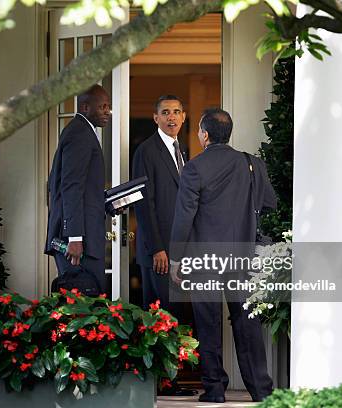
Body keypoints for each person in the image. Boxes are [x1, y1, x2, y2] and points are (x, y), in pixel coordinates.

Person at [169, 108, 276, 403]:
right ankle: (260, 389)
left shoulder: (193, 168)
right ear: (229, 133)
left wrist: (176, 258)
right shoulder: (253, 164)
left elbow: (184, 216)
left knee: (208, 323)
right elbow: (269, 204)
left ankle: (215, 390)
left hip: (205, 259)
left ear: (204, 135)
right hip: (242, 256)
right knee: (247, 322)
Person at [132, 95, 194, 397]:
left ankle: (164, 382)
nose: (172, 117)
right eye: (165, 112)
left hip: (176, 251)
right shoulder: (147, 151)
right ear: (155, 117)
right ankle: (163, 383)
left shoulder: (180, 151)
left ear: (184, 117)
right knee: (162, 318)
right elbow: (144, 204)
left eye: (177, 112)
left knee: (171, 316)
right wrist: (158, 248)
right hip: (159, 252)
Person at [44, 84, 111, 296]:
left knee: (90, 313)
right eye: (102, 107)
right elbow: (71, 186)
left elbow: (84, 189)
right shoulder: (80, 133)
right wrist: (74, 237)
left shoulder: (82, 131)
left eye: (108, 107)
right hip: (77, 245)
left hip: (84, 238)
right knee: (83, 313)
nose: (107, 112)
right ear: (85, 107)